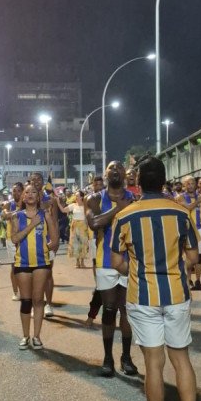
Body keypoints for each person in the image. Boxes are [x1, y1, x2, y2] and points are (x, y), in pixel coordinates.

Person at [111, 156, 201, 401]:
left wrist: (138, 268)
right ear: (163, 181)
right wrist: (175, 267)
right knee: (181, 359)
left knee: (153, 363)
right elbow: (193, 257)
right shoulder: (181, 213)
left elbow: (117, 262)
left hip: (143, 296)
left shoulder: (125, 216)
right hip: (176, 294)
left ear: (137, 182)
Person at [85, 161, 138, 378]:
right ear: (105, 174)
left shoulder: (135, 198)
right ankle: (108, 357)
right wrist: (118, 208)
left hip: (129, 261)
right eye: (111, 168)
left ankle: (126, 357)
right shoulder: (94, 198)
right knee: (108, 310)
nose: (115, 170)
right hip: (105, 261)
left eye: (119, 168)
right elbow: (94, 223)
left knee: (127, 310)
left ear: (125, 173)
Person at [11, 182, 58, 350]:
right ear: (23, 197)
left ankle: (37, 336)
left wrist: (45, 249)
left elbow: (54, 240)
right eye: (27, 192)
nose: (30, 194)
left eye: (34, 192)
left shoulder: (46, 215)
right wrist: (32, 224)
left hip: (41, 263)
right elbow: (14, 239)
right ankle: (25, 336)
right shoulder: (17, 216)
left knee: (38, 300)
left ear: (38, 197)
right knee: (26, 301)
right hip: (22, 263)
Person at [29, 171, 58, 317]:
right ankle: (36, 304)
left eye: (39, 179)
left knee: (48, 274)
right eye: (33, 179)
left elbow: (55, 221)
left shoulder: (51, 200)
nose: (36, 181)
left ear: (42, 181)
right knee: (32, 275)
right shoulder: (27, 199)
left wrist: (56, 241)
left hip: (47, 242)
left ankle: (49, 304)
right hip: (30, 241)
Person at [176, 176, 201, 290]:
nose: (191, 185)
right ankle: (187, 279)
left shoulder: (199, 196)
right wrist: (198, 201)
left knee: (199, 256)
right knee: (189, 256)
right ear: (184, 185)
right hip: (187, 229)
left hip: (200, 228)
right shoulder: (181, 197)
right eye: (188, 183)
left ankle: (198, 280)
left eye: (192, 183)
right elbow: (188, 208)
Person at [2, 183, 24, 300]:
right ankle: (16, 292)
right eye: (14, 191)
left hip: (25, 237)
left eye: (19, 190)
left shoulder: (27, 203)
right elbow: (5, 216)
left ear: (23, 191)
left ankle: (26, 290)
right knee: (14, 266)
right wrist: (18, 212)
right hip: (11, 239)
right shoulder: (8, 204)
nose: (16, 193)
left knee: (25, 266)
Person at [67, 189, 90, 268]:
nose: (76, 197)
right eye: (75, 196)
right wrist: (58, 202)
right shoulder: (73, 205)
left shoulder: (86, 206)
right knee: (75, 244)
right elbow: (63, 210)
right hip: (74, 226)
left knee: (83, 244)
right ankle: (77, 262)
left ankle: (82, 262)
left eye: (77, 196)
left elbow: (88, 216)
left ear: (81, 197)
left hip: (83, 226)